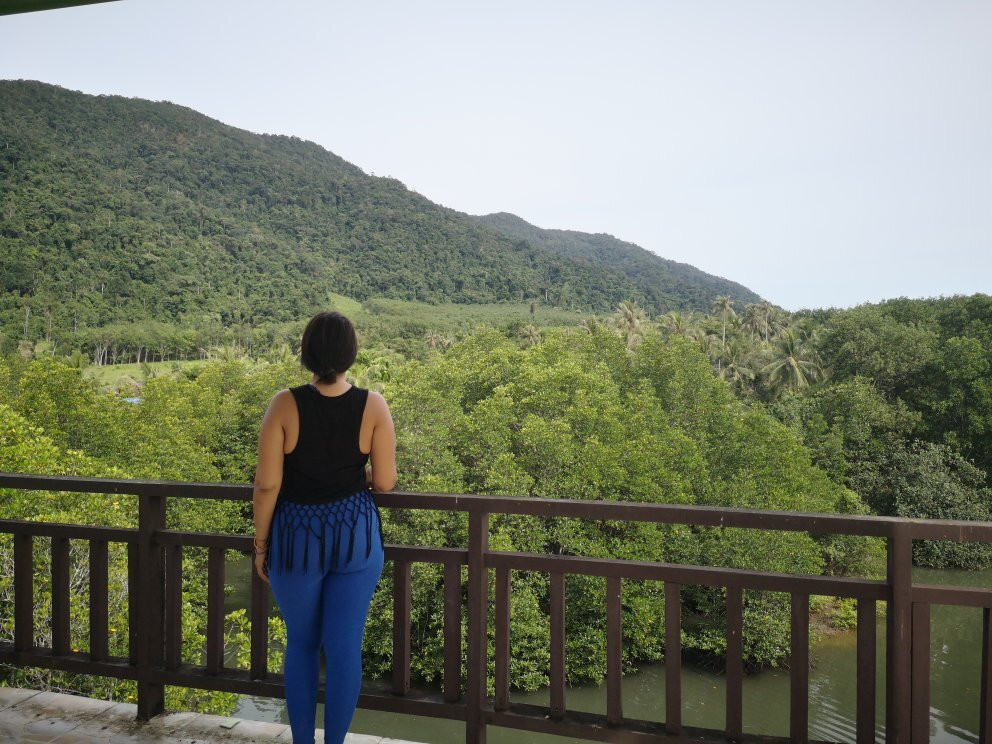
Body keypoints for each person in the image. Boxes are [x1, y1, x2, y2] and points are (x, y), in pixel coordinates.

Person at [251, 311, 397, 744]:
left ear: (308, 352)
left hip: (296, 539)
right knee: (344, 647)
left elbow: (267, 485)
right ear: (350, 354)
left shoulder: (284, 404)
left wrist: (261, 545)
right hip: (355, 534)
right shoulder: (373, 405)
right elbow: (386, 481)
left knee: (301, 644)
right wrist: (359, 478)